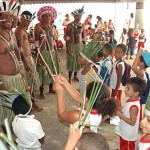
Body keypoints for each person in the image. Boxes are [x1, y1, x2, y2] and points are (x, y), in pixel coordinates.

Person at [0, 0, 32, 132]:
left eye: (11, 16)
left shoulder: (10, 33)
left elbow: (16, 50)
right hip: (5, 80)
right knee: (5, 112)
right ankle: (8, 138)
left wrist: (21, 68)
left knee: (23, 107)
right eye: (6, 16)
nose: (10, 19)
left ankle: (18, 131)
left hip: (17, 77)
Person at [34, 6, 60, 98]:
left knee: (52, 70)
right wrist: (38, 55)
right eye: (45, 16)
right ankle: (41, 92)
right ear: (42, 17)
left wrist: (56, 53)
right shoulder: (38, 27)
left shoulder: (53, 27)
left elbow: (53, 41)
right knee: (42, 71)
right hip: (43, 52)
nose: (48, 18)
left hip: (52, 52)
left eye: (49, 16)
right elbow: (36, 42)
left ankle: (50, 88)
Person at [15, 11, 41, 97]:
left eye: (29, 21)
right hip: (24, 59)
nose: (28, 23)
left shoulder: (23, 30)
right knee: (27, 82)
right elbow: (19, 48)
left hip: (28, 57)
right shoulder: (19, 31)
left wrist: (31, 51)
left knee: (31, 81)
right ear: (21, 19)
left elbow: (24, 45)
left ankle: (32, 101)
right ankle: (31, 103)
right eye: (26, 21)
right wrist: (25, 62)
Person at [116, 77, 146, 150]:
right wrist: (120, 109)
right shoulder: (131, 99)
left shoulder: (134, 107)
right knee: (123, 145)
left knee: (127, 147)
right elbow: (126, 109)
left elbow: (132, 122)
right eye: (126, 87)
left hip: (128, 134)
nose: (125, 90)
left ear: (136, 93)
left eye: (128, 88)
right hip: (125, 130)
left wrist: (120, 115)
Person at [66, 6, 86, 83]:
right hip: (72, 46)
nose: (79, 17)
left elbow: (83, 36)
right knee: (71, 62)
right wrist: (68, 48)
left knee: (78, 62)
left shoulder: (82, 25)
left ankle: (75, 76)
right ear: (74, 16)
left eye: (80, 16)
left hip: (80, 46)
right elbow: (67, 37)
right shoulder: (70, 25)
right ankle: (69, 78)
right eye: (77, 16)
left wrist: (84, 46)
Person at [132, 50, 150, 116]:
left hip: (137, 99)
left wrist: (138, 54)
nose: (137, 60)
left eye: (138, 59)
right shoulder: (140, 71)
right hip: (135, 97)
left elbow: (133, 67)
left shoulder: (143, 74)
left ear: (142, 63)